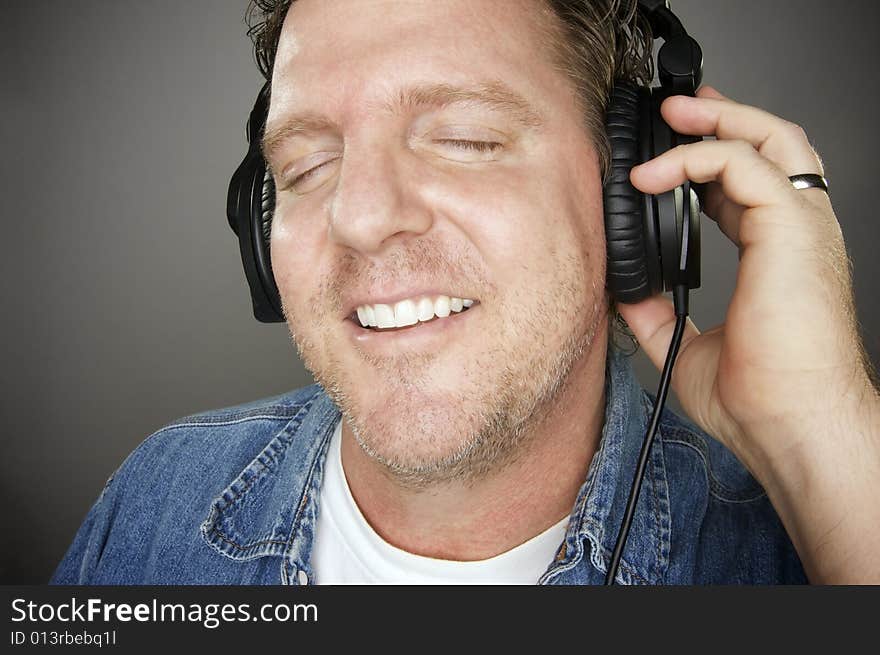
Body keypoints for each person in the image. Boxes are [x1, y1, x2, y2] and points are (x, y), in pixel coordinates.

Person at [52, 0, 879, 585]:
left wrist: (823, 430)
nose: (363, 218)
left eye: (466, 138)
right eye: (306, 167)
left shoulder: (798, 551)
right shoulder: (157, 497)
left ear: (635, 194)